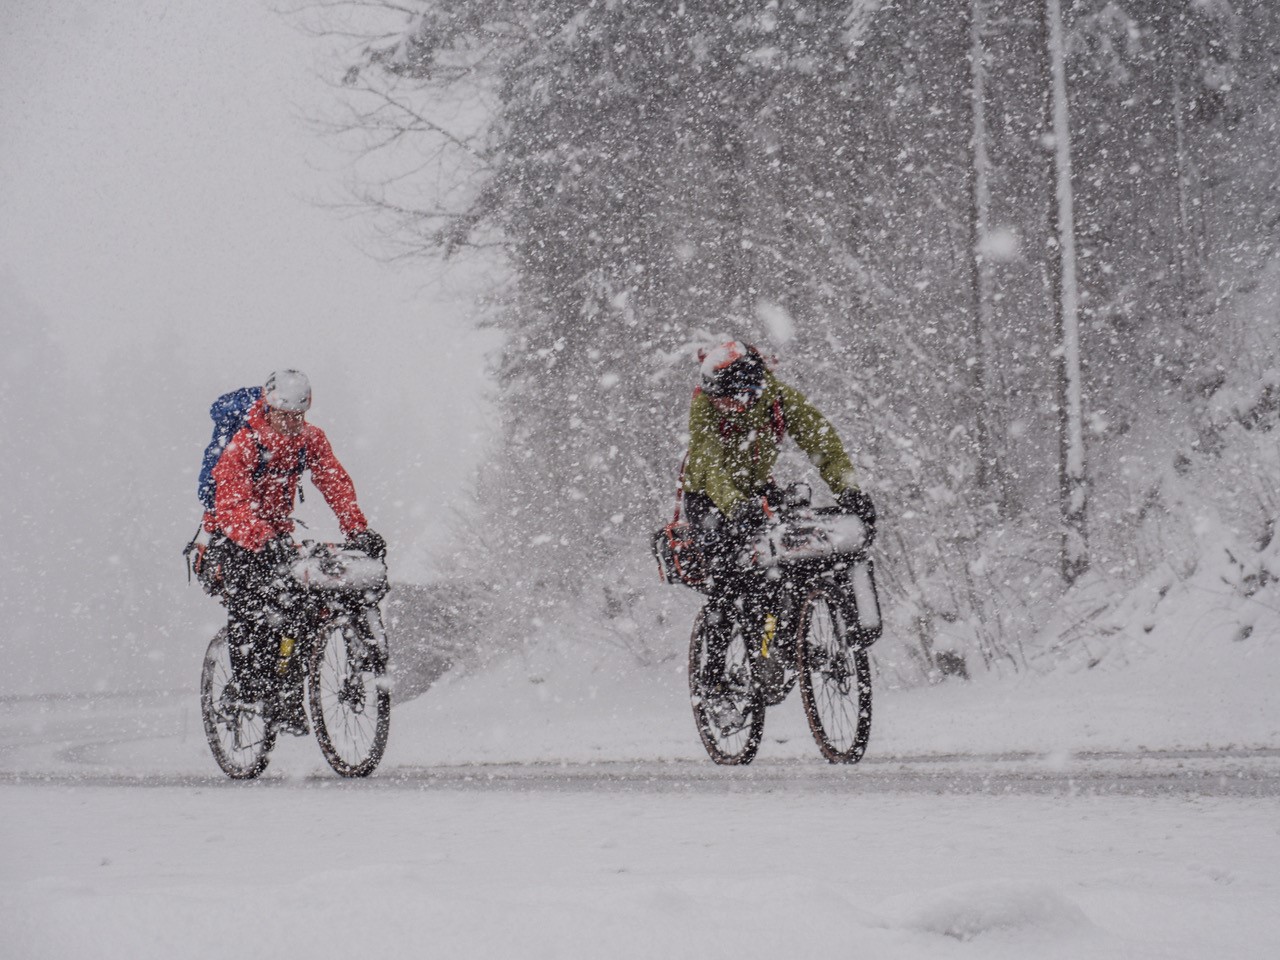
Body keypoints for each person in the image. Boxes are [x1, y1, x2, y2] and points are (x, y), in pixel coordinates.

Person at [208, 369, 384, 735]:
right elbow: (231, 505)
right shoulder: (244, 444)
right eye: (283, 416)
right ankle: (251, 689)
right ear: (268, 408)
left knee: (304, 601)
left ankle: (288, 688)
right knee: (253, 606)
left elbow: (334, 481)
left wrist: (357, 529)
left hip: (276, 533)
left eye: (297, 417)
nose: (290, 424)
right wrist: (259, 537)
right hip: (234, 536)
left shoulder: (309, 440)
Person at [681, 341, 876, 658]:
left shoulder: (779, 400)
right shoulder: (705, 407)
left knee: (799, 550)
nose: (719, 405)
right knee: (728, 582)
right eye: (714, 398)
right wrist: (736, 507)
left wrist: (849, 490)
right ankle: (716, 685)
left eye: (725, 398)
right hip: (708, 498)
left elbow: (823, 443)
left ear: (746, 389)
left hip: (757, 489)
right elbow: (711, 466)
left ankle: (786, 635)